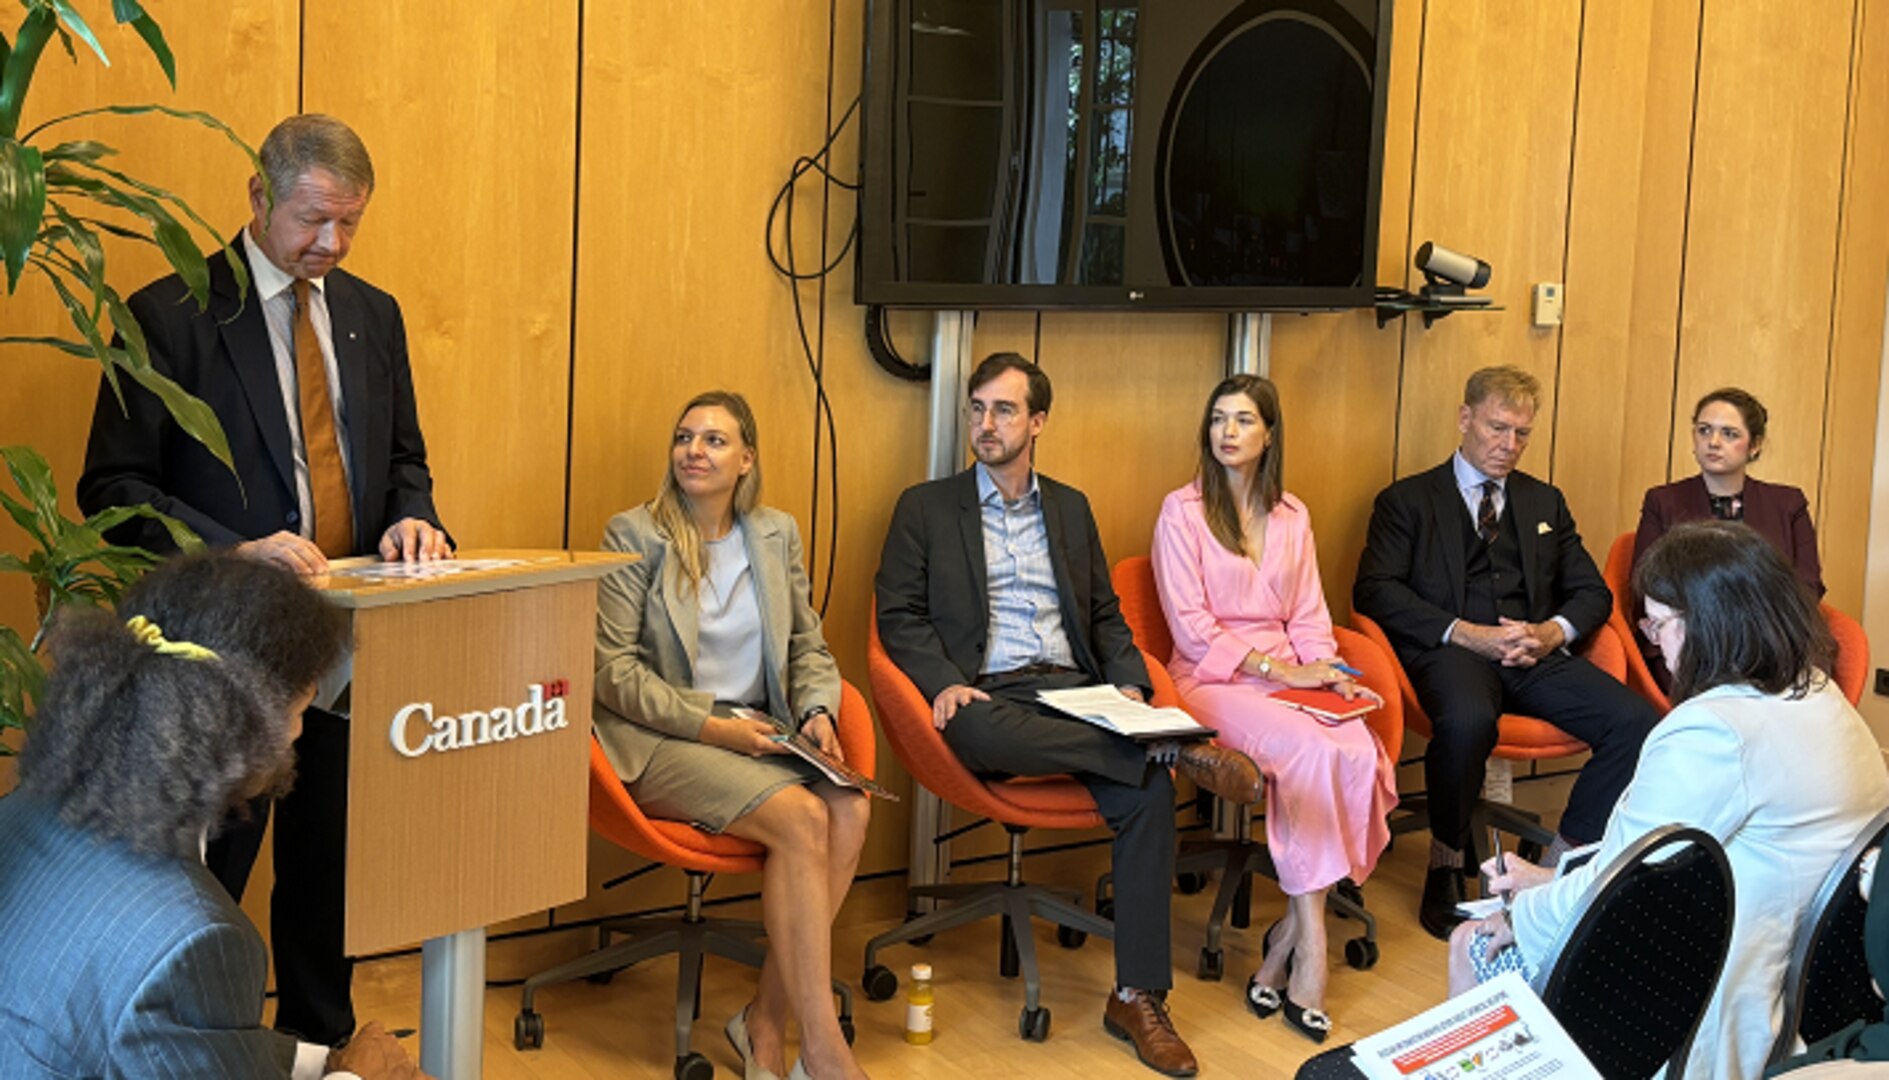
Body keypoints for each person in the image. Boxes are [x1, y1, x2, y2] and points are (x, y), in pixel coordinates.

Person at [76, 113, 452, 1045]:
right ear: (257, 197)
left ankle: (325, 1048)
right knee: (209, 879)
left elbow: (406, 458)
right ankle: (197, 1044)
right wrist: (235, 552)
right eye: (312, 219)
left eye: (351, 223)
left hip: (349, 641)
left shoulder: (374, 314)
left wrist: (416, 513)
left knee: (328, 868)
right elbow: (113, 491)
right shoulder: (168, 314)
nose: (330, 243)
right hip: (220, 653)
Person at [876, 352, 1264, 1078]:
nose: (984, 425)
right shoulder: (924, 508)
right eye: (976, 409)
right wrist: (939, 681)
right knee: (990, 730)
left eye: (1003, 410)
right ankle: (1173, 752)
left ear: (1038, 422)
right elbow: (897, 617)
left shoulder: (1069, 506)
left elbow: (1104, 616)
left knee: (1146, 794)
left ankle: (1136, 996)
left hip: (1073, 691)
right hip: (986, 693)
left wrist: (1130, 692)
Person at [1450, 521, 1889, 1080]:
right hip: (1812, 984)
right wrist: (1555, 879)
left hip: (1713, 992)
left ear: (1707, 623)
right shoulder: (1820, 694)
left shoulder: (1713, 731)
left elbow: (1622, 892)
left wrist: (1522, 912)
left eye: (1658, 625)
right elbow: (1658, 856)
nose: (1654, 645)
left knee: (1472, 942)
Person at [0, 552, 428, 1079]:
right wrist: (358, 1077)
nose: (299, 734)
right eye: (298, 711)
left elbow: (163, 1041)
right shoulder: (193, 939)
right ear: (244, 724)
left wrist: (320, 1060)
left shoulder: (27, 808)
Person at [595, 391, 869, 1080]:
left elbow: (808, 644)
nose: (694, 450)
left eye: (715, 441)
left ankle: (762, 1021)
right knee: (806, 816)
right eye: (684, 437)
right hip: (660, 738)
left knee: (851, 807)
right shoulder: (633, 534)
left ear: (746, 460)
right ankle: (823, 1048)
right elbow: (611, 674)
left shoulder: (775, 534)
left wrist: (816, 711)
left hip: (761, 729)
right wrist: (717, 729)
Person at [1353, 364, 1659, 940]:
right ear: (1465, 419)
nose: (1509, 445)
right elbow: (1375, 590)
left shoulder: (1544, 501)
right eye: (1498, 428)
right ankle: (1446, 861)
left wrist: (1552, 632)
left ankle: (1558, 866)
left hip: (1533, 653)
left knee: (1637, 722)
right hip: (1453, 652)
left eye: (1521, 433)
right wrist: (1465, 632)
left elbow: (1592, 591)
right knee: (1468, 720)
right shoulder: (1407, 500)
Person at [1150, 375, 1397, 1045]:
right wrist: (1277, 669)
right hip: (1212, 678)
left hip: (1288, 675)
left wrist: (1330, 675)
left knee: (1356, 746)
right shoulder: (1181, 511)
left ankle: (1284, 935)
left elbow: (1310, 614)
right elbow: (1191, 626)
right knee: (1315, 750)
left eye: (1243, 421)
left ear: (1268, 435)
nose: (1227, 432)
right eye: (1217, 419)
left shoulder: (1292, 513)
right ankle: (1311, 945)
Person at [1634, 387, 1823, 690]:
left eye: (1730, 434)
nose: (1714, 442)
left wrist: (1759, 634)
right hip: (1691, 642)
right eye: (1704, 430)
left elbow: (1807, 585)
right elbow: (1649, 583)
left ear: (1755, 445)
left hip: (1771, 641)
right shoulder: (1663, 501)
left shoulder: (1788, 503)